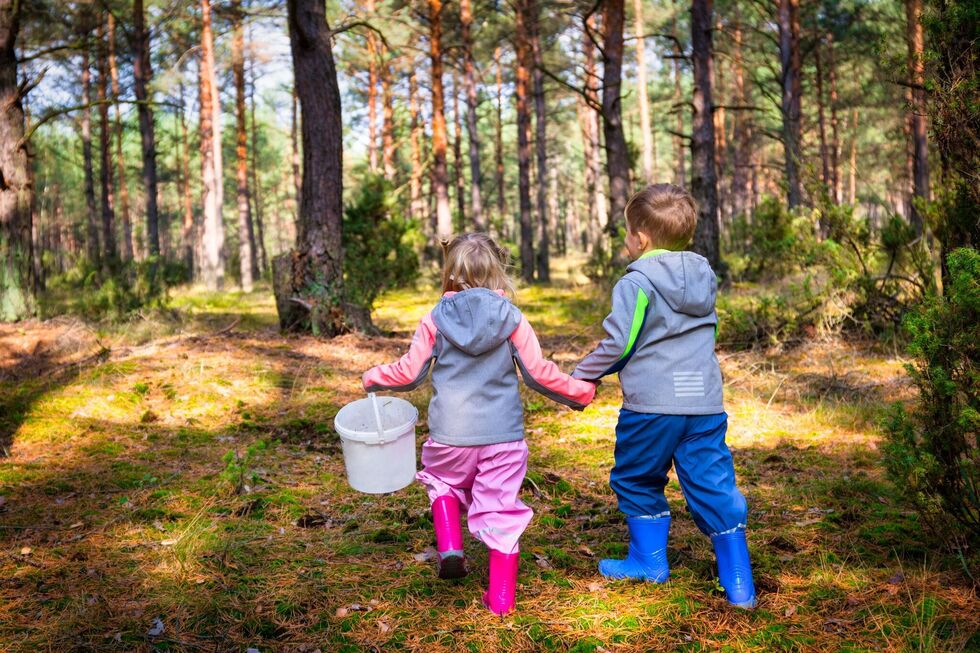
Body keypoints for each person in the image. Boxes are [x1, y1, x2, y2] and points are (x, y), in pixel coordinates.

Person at [362, 233, 596, 616]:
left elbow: (410, 373)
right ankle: (501, 599)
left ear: (449, 275)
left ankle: (451, 544)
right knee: (500, 512)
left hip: (450, 436)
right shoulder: (513, 319)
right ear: (499, 274)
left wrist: (374, 376)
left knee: (441, 481)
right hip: (502, 439)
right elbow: (538, 374)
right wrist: (579, 393)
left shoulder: (435, 318)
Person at [572, 184, 757, 609]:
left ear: (640, 239)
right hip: (704, 405)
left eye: (626, 234)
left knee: (637, 476)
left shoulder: (636, 281)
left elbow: (621, 342)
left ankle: (649, 563)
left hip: (651, 407)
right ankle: (740, 584)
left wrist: (582, 376)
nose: (625, 242)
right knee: (714, 485)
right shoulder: (705, 276)